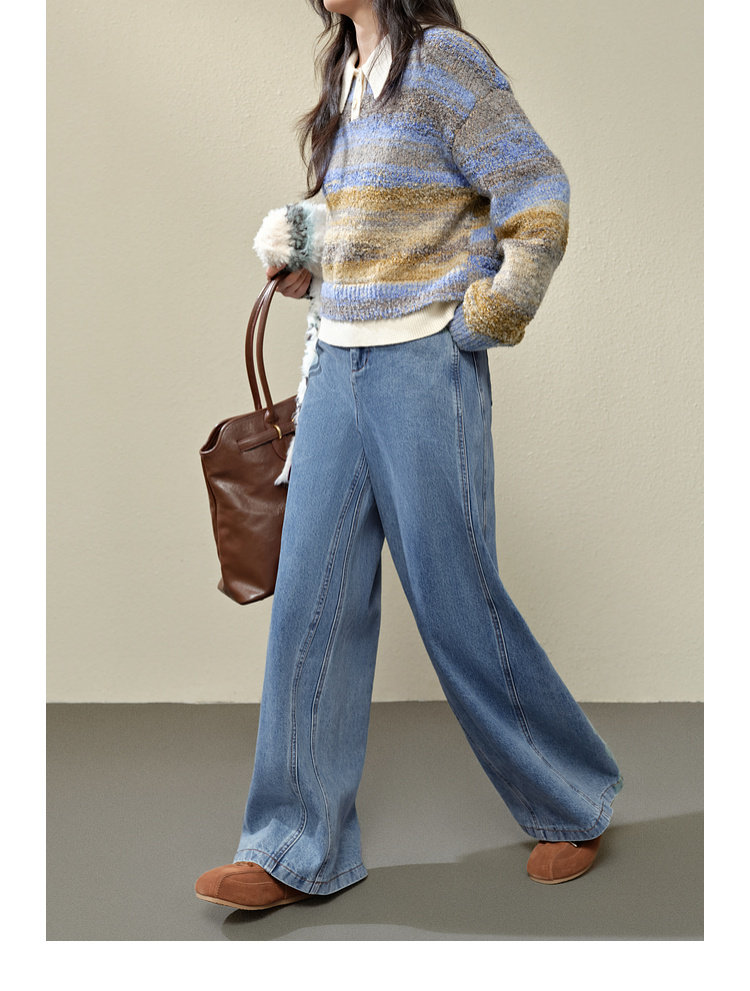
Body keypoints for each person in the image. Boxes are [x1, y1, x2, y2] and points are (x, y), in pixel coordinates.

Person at [195, 0, 623, 912]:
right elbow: (384, 217)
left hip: (423, 366)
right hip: (334, 364)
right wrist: (309, 249)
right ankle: (293, 845)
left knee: (454, 594)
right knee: (310, 601)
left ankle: (569, 800)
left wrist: (490, 313)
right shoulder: (349, 75)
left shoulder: (443, 63)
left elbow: (538, 190)